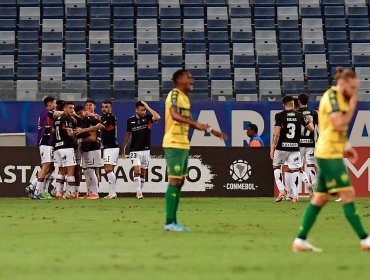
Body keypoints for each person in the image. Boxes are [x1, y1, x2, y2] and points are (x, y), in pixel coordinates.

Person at [292, 67, 370, 252]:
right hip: (328, 154)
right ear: (343, 84)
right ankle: (365, 239)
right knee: (348, 195)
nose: (354, 92)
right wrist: (352, 107)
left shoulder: (341, 97)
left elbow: (337, 129)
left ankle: (300, 240)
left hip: (331, 151)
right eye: (353, 88)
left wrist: (347, 146)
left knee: (319, 199)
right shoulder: (333, 97)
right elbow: (338, 123)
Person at [162, 69, 228, 232]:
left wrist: (211, 130)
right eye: (188, 77)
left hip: (183, 143)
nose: (192, 79)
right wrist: (196, 125)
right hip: (173, 142)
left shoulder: (185, 98)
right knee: (174, 180)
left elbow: (189, 120)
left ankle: (174, 222)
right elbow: (174, 114)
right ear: (179, 80)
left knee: (180, 181)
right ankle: (169, 222)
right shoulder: (175, 94)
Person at [270, 96, 314, 203]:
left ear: (283, 104)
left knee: (276, 166)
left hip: (281, 147)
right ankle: (295, 196)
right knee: (295, 170)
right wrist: (310, 120)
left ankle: (282, 190)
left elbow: (276, 134)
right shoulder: (299, 115)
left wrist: (272, 148)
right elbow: (311, 129)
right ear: (292, 104)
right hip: (295, 147)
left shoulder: (280, 115)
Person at [76, 100, 120, 199]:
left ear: (111, 108)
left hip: (111, 146)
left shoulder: (110, 117)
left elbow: (99, 127)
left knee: (106, 169)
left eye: (106, 107)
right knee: (90, 170)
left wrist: (83, 130)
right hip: (106, 146)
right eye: (103, 107)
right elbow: (100, 121)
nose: (104, 109)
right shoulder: (102, 117)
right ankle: (91, 192)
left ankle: (109, 193)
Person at [122, 101, 161, 199]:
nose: (143, 112)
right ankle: (139, 192)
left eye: (144, 110)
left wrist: (148, 107)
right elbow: (128, 134)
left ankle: (139, 190)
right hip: (134, 150)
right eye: (141, 110)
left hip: (146, 150)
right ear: (136, 110)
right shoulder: (130, 120)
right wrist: (124, 147)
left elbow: (158, 117)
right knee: (137, 171)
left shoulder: (148, 118)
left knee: (143, 173)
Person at [27, 96, 57, 199]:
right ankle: (37, 191)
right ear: (49, 104)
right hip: (45, 142)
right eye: (55, 103)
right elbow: (51, 127)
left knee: (49, 167)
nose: (56, 105)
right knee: (45, 167)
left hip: (48, 143)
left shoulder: (45, 113)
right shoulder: (47, 112)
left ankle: (32, 186)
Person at [75, 106, 102, 200]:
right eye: (78, 114)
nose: (80, 115)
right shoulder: (81, 122)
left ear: (85, 112)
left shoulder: (91, 120)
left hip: (93, 149)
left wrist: (80, 140)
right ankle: (89, 192)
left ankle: (95, 193)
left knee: (91, 171)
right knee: (86, 172)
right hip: (85, 149)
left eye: (81, 113)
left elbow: (93, 138)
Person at [53, 102, 77, 199]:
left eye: (73, 108)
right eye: (70, 108)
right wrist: (77, 140)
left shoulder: (57, 119)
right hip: (66, 147)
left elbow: (53, 131)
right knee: (70, 170)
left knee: (61, 170)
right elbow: (70, 133)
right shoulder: (66, 118)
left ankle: (58, 193)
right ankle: (71, 193)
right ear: (64, 109)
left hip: (57, 147)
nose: (72, 110)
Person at [297, 93, 319, 197]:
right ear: (308, 101)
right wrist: (318, 139)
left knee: (297, 167)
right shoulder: (314, 113)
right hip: (310, 143)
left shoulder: (297, 113)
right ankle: (314, 188)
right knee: (311, 164)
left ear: (298, 101)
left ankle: (307, 183)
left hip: (299, 144)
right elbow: (320, 127)